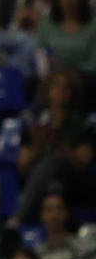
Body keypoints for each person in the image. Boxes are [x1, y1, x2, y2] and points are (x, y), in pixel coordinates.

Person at [16, 69, 94, 224]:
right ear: (48, 91)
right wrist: (39, 147)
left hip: (72, 182)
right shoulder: (35, 123)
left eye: (67, 87)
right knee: (52, 182)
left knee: (52, 163)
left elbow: (82, 165)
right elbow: (22, 166)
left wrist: (60, 144)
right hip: (42, 183)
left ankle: (19, 217)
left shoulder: (82, 124)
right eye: (57, 86)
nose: (61, 91)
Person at [35, 0, 96, 76]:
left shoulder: (93, 26)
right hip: (53, 77)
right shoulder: (47, 23)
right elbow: (40, 51)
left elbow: (93, 64)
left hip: (86, 78)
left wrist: (70, 72)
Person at [37, 193, 96, 259]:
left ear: (67, 213)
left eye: (59, 209)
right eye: (48, 209)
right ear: (42, 215)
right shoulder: (37, 254)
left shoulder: (83, 247)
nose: (54, 215)